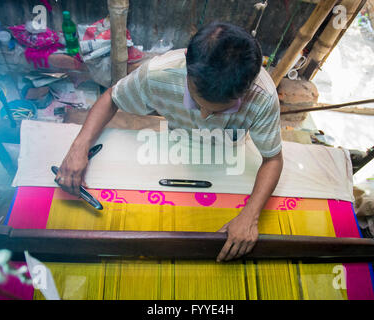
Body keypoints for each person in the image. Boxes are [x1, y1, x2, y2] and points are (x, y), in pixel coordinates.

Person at [55, 22, 283, 262]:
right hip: (178, 146)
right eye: (196, 102)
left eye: (222, 110)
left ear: (247, 89)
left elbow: (273, 158)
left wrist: (250, 216)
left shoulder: (262, 97)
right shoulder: (158, 74)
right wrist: (78, 148)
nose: (204, 116)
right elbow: (112, 97)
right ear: (187, 63)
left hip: (229, 153)